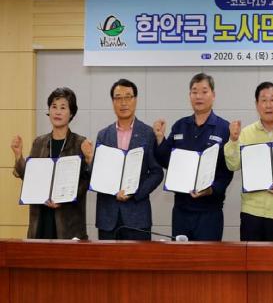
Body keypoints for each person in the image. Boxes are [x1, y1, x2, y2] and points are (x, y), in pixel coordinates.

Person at [153, 73, 233, 241]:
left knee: (208, 257)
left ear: (213, 95)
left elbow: (227, 171)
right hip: (181, 210)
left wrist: (211, 189)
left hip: (209, 212)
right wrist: (160, 138)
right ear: (189, 95)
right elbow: (166, 160)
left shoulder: (224, 128)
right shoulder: (180, 125)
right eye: (194, 92)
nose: (199, 96)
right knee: (180, 257)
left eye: (204, 91)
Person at [224, 82, 273, 241]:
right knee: (250, 257)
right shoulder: (245, 134)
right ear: (256, 104)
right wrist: (233, 140)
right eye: (264, 100)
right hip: (251, 213)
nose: (268, 105)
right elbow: (233, 165)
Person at [11, 87, 92, 239]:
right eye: (54, 107)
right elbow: (28, 178)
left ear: (71, 113)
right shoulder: (39, 142)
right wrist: (18, 155)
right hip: (41, 217)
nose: (57, 112)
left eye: (63, 107)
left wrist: (89, 159)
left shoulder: (80, 143)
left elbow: (86, 181)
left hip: (68, 222)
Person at [94, 78, 163, 240]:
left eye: (128, 97)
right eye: (118, 98)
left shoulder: (148, 133)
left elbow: (157, 173)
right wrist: (90, 159)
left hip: (137, 216)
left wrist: (135, 193)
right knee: (107, 257)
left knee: (138, 258)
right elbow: (97, 174)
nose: (123, 102)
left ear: (135, 100)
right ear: (113, 102)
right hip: (108, 217)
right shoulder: (103, 135)